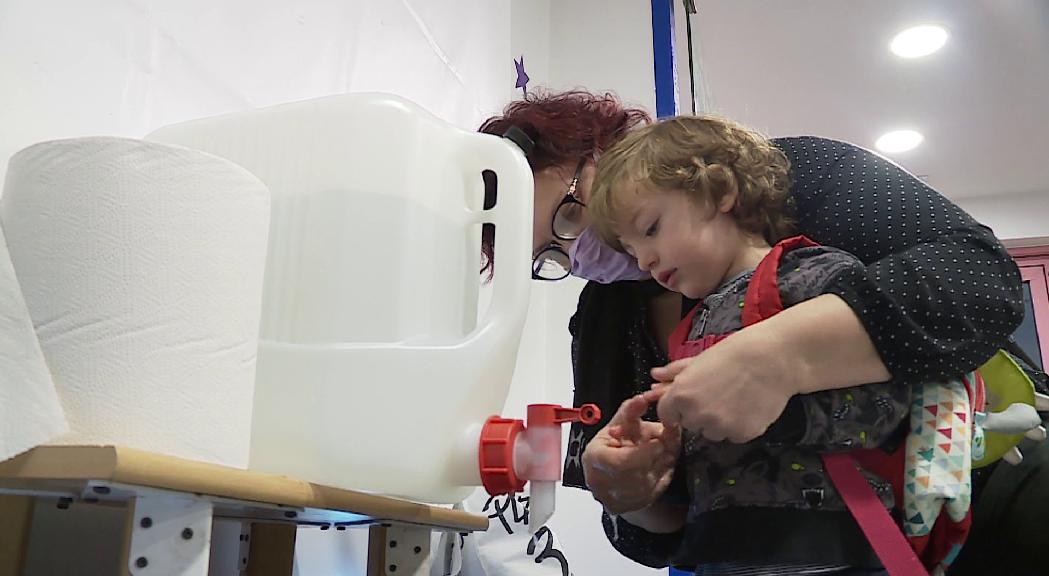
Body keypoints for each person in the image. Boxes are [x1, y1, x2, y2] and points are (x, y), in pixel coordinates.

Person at [579, 114, 985, 574]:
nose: (645, 260)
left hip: (836, 549)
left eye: (651, 229)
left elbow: (888, 408)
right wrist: (661, 455)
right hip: (727, 556)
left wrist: (778, 411)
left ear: (721, 190)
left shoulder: (815, 274)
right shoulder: (692, 325)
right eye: (633, 252)